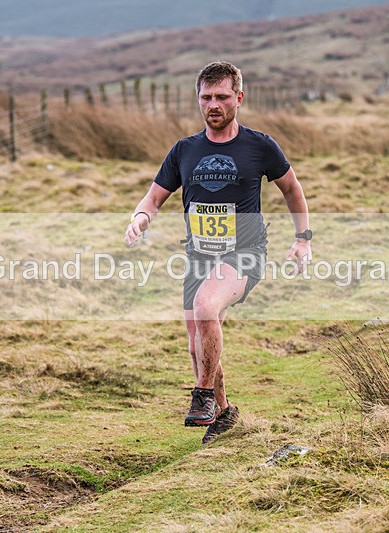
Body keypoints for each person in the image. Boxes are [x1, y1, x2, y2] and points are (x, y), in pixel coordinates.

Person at [124, 61, 312, 444]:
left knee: (207, 307)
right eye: (206, 97)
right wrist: (140, 218)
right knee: (198, 341)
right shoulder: (184, 150)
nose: (214, 104)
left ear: (239, 98)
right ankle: (225, 414)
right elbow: (155, 196)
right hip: (198, 256)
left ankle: (203, 396)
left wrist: (303, 237)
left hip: (244, 253)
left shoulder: (260, 146)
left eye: (222, 96)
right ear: (198, 99)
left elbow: (292, 189)